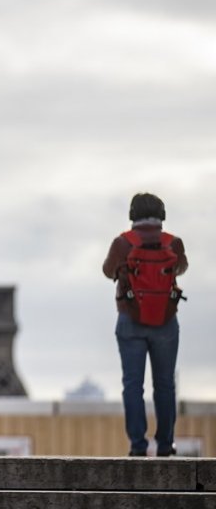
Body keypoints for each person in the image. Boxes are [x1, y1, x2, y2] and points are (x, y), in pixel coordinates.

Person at [102, 193, 188, 457]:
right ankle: (165, 444)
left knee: (132, 384)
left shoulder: (122, 243)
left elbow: (107, 270)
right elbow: (181, 268)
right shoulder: (173, 243)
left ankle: (138, 445)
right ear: (161, 214)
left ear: (132, 215)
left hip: (130, 319)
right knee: (165, 384)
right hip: (165, 321)